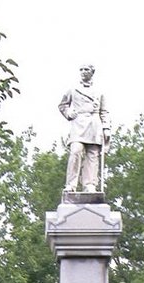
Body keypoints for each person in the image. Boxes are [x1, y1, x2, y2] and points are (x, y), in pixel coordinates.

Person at [59, 64, 110, 193]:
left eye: (86, 69)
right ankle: (71, 184)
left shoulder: (99, 91)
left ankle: (90, 184)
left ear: (92, 72)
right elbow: (62, 105)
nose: (83, 72)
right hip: (78, 124)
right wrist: (69, 114)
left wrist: (106, 128)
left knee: (92, 155)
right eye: (81, 69)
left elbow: (104, 111)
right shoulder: (73, 89)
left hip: (94, 124)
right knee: (75, 151)